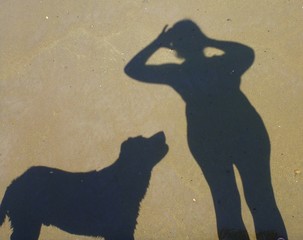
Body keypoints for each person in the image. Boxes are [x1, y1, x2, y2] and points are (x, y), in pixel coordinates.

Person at [124, 19, 287, 240]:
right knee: (261, 198)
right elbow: (247, 53)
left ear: (175, 48)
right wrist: (208, 41)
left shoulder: (177, 73)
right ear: (197, 39)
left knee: (226, 201)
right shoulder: (223, 64)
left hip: (208, 138)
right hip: (245, 130)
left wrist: (157, 43)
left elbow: (133, 69)